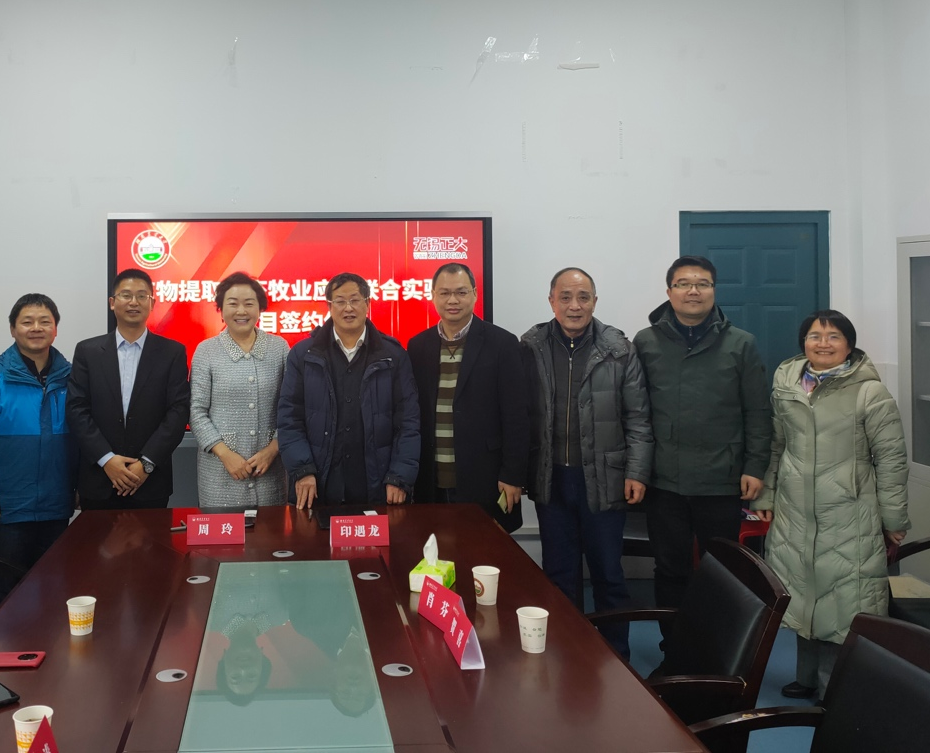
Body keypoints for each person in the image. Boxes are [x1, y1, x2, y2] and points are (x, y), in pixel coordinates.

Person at [754, 310, 910, 699]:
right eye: (814, 336)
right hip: (794, 509)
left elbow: (890, 458)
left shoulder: (869, 392)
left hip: (848, 511)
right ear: (803, 342)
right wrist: (767, 494)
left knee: (842, 600)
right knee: (803, 591)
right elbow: (776, 444)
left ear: (849, 344)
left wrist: (893, 518)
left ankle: (833, 691)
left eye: (834, 336)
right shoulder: (786, 384)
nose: (823, 343)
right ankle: (806, 676)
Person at [633, 255, 771, 655]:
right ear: (669, 291)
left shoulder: (740, 343)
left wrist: (755, 466)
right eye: (683, 283)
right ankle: (674, 650)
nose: (693, 291)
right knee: (669, 568)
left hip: (721, 479)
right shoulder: (646, 342)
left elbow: (758, 411)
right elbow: (635, 411)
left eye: (702, 284)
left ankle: (717, 652)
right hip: (664, 479)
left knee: (722, 571)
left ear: (713, 290)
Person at [521, 267, 653, 659]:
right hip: (551, 479)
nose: (574, 306)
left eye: (583, 297)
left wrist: (637, 471)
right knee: (558, 574)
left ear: (595, 301)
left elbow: (639, 418)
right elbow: (518, 412)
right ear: (551, 301)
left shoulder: (619, 349)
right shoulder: (531, 346)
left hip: (604, 479)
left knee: (608, 574)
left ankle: (616, 656)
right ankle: (567, 652)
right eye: (565, 297)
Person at [0, 293, 73, 612]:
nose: (36, 328)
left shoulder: (72, 378)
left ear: (55, 329)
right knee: (4, 594)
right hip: (5, 508)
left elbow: (81, 438)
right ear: (12, 329)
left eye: (45, 321)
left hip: (55, 507)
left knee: (53, 589)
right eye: (27, 322)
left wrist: (78, 486)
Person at [407, 262, 534, 532]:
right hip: (432, 480)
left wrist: (513, 475)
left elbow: (517, 416)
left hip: (485, 479)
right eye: (444, 293)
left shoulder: (502, 343)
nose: (452, 300)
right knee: (434, 551)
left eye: (461, 292)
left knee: (484, 551)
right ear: (433, 296)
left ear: (475, 294)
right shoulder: (418, 346)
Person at [276, 272, 419, 509]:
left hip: (378, 484)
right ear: (329, 306)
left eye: (355, 300)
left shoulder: (393, 356)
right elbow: (289, 418)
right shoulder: (303, 355)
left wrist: (399, 477)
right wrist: (302, 470)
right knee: (313, 535)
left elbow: (408, 421)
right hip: (318, 484)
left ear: (368, 303)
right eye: (340, 301)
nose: (348, 308)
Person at [67, 268, 190, 510]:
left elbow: (178, 412)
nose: (134, 302)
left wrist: (146, 464)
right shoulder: (87, 351)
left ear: (152, 303)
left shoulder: (172, 352)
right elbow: (76, 409)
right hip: (99, 479)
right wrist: (106, 459)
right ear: (112, 303)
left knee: (151, 537)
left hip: (150, 482)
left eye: (142, 296)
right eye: (126, 295)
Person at [190, 272, 290, 508]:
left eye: (249, 303)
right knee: (222, 530)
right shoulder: (206, 351)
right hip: (219, 471)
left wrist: (274, 448)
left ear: (260, 308)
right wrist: (225, 454)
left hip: (269, 469)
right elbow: (196, 411)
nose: (241, 311)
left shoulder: (279, 348)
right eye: (233, 304)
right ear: (221, 309)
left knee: (270, 530)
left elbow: (292, 408)